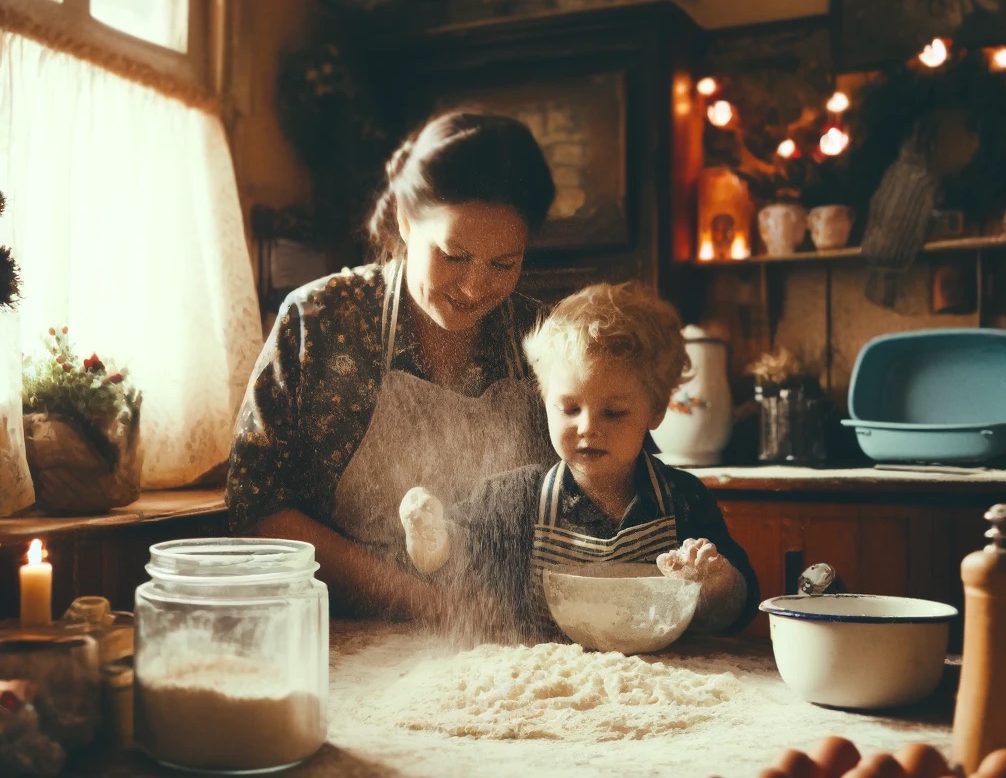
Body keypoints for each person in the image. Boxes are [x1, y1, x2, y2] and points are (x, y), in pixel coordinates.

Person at [226, 110, 557, 619]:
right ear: (405, 217)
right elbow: (257, 510)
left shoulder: (542, 340)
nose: (473, 288)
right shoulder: (321, 322)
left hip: (510, 636)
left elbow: (617, 480)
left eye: (503, 264)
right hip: (343, 634)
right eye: (453, 255)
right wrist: (425, 603)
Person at [399, 281, 760, 640]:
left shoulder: (684, 501)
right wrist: (432, 540)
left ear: (656, 411)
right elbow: (453, 563)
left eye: (614, 412)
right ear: (545, 402)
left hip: (658, 685)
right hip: (547, 685)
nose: (588, 427)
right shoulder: (516, 497)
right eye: (570, 408)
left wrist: (717, 584)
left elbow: (737, 611)